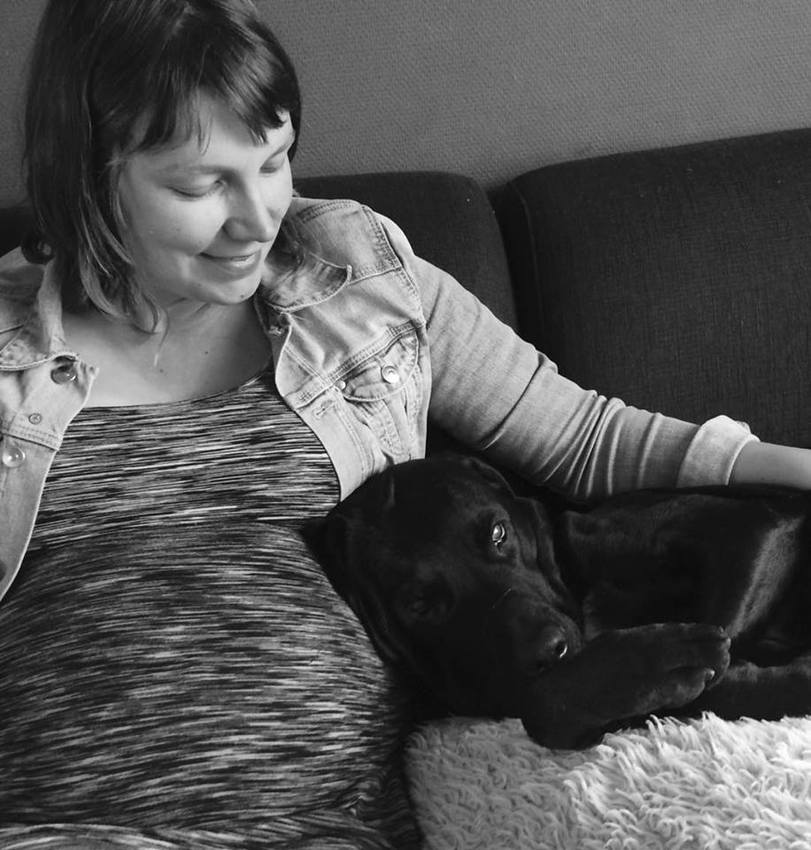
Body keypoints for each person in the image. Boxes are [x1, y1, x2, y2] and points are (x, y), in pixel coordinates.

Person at [1, 1, 809, 847]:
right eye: (202, 186)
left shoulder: (360, 277)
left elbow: (585, 438)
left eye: (274, 162)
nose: (258, 218)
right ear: (86, 174)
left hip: (336, 826)